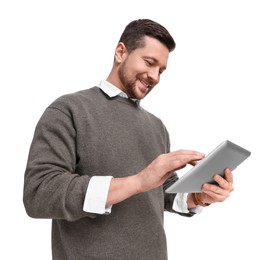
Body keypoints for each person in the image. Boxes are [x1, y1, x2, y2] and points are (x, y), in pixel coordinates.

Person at [23, 19, 234, 260]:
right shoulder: (69, 110)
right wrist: (138, 181)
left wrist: (198, 196)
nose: (154, 76)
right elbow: (39, 194)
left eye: (161, 70)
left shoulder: (157, 127)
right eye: (149, 62)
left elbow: (161, 192)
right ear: (121, 52)